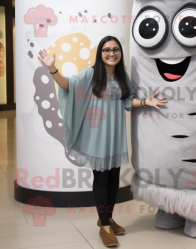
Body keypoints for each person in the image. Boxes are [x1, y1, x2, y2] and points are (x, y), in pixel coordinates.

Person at [37, 35, 168, 247]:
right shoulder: (90, 73)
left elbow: (128, 100)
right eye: (106, 50)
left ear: (120, 53)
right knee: (100, 179)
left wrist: (146, 102)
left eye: (115, 49)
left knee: (114, 178)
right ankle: (105, 227)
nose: (111, 53)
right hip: (96, 135)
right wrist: (53, 69)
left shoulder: (122, 76)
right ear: (100, 53)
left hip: (115, 135)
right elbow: (67, 86)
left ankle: (106, 217)